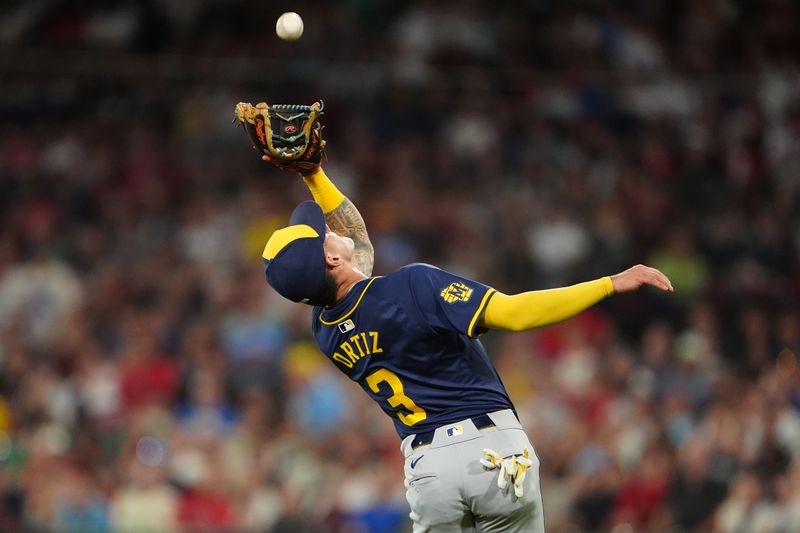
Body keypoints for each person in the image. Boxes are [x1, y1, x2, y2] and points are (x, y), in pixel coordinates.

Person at [259, 155, 673, 532]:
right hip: (494, 450)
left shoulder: (325, 329)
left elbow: (355, 253)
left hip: (428, 470)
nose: (330, 229)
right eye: (322, 236)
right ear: (331, 260)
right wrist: (608, 284)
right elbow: (514, 313)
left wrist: (314, 176)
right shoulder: (412, 284)